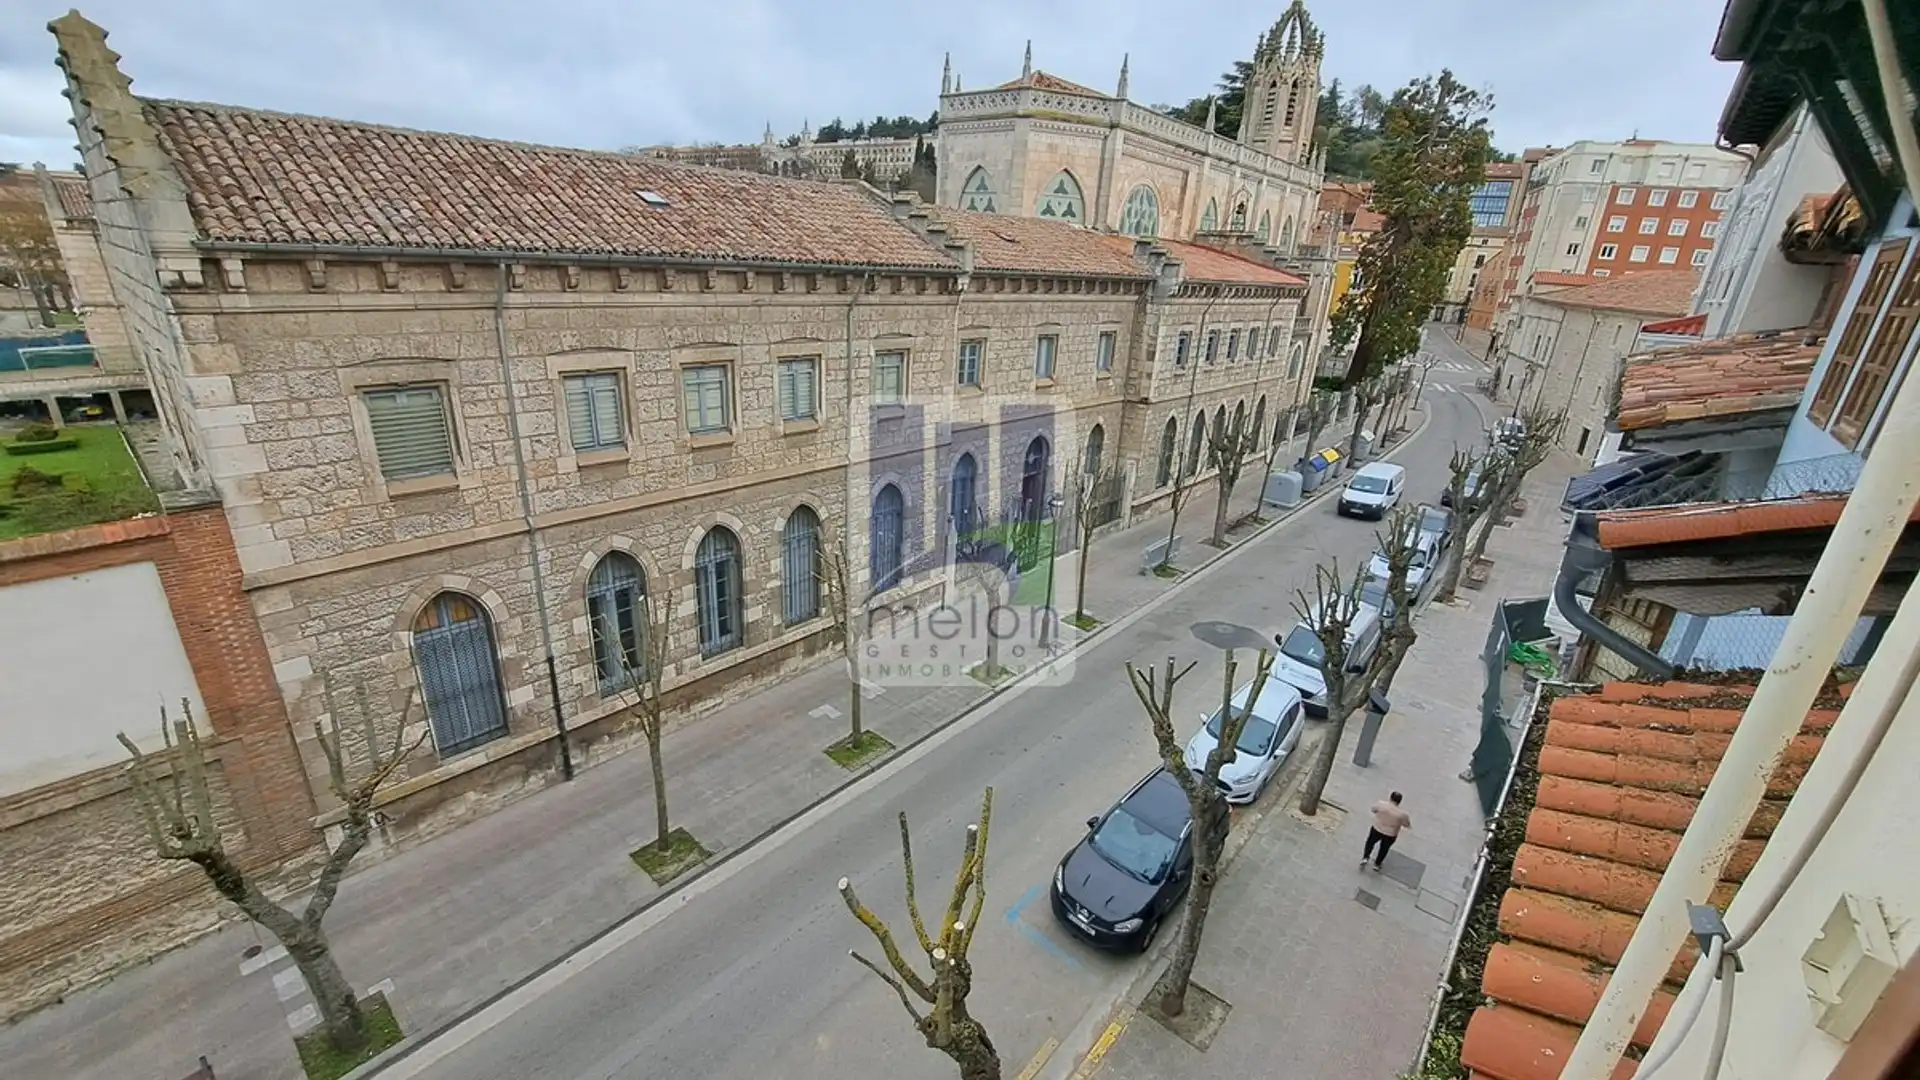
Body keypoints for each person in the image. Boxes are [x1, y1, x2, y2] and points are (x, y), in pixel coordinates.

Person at [1362, 791, 1411, 871]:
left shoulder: (1381, 804)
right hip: (1390, 834)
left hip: (1377, 828)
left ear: (1390, 798)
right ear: (1399, 802)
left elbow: (1373, 809)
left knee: (1370, 843)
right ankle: (1377, 864)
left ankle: (1365, 857)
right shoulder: (1402, 814)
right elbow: (1406, 824)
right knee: (1384, 848)